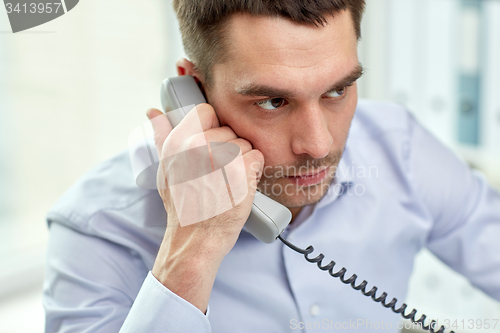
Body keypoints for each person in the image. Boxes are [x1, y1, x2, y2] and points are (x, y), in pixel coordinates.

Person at [43, 0, 500, 332]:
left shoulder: (398, 148)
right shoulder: (97, 227)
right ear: (193, 94)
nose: (318, 145)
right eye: (273, 101)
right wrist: (194, 245)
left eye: (337, 91)